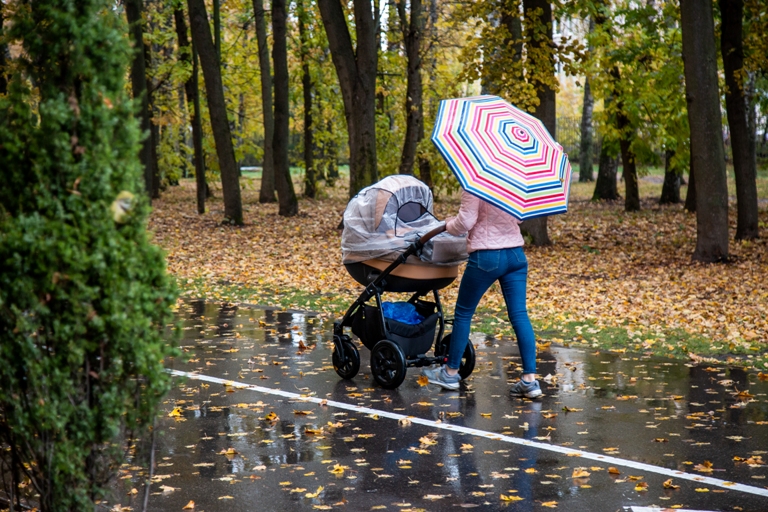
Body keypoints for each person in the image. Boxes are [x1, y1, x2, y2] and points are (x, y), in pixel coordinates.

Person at [422, 190, 541, 398]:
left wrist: (449, 223)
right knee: (520, 315)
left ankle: (450, 373)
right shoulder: (513, 181)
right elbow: (520, 216)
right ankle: (530, 381)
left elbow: (466, 222)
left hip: (486, 255)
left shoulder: (476, 182)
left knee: (464, 314)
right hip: (515, 254)